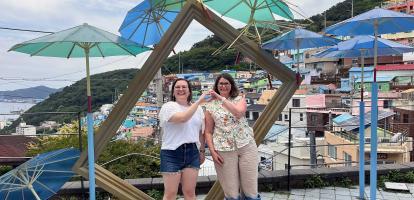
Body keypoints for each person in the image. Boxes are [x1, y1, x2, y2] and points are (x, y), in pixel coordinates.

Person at [204, 73, 260, 200]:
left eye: (226, 83)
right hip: (224, 150)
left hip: (246, 146)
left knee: (251, 191)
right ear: (217, 85)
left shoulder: (240, 98)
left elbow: (238, 113)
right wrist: (212, 151)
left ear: (231, 85)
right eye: (221, 84)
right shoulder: (210, 106)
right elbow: (208, 131)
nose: (223, 86)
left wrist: (220, 98)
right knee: (231, 193)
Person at [158, 78, 208, 200]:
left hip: (192, 152)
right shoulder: (168, 106)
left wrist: (202, 151)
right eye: (177, 87)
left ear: (189, 91)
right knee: (170, 194)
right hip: (171, 153)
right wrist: (199, 102)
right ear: (173, 92)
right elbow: (182, 118)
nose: (181, 89)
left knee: (190, 193)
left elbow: (200, 133)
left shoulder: (199, 110)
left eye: (184, 87)